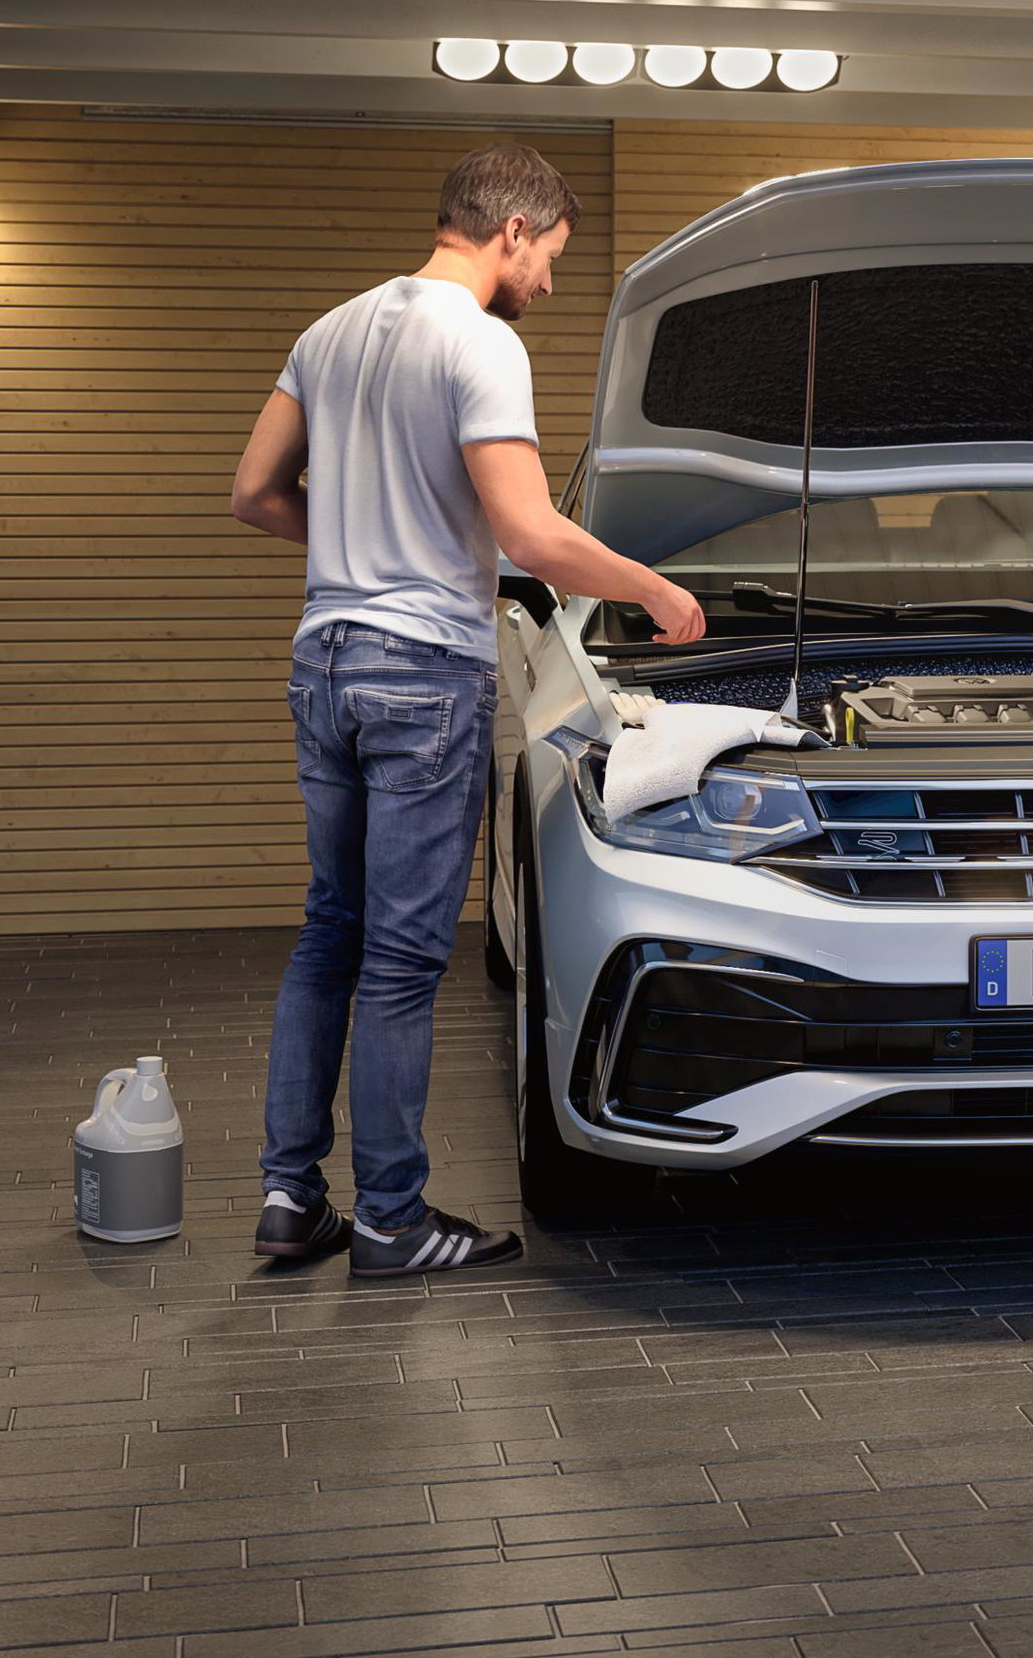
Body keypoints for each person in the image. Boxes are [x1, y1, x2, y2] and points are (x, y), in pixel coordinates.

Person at [227, 142, 706, 1275]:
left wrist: (366, 542)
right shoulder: (480, 342)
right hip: (419, 676)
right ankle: (391, 1219)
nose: (546, 280)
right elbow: (533, 535)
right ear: (511, 231)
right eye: (549, 256)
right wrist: (652, 589)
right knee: (400, 960)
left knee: (328, 933)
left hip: (324, 659)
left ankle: (290, 1199)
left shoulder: (328, 331)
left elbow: (252, 493)